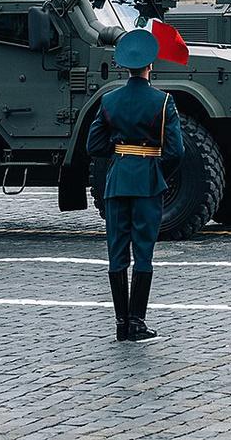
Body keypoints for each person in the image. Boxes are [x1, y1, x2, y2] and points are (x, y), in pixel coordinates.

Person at [86, 29, 184, 343]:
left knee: (117, 253)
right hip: (147, 181)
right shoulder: (163, 101)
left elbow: (94, 144)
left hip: (117, 181)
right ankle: (137, 322)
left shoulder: (109, 100)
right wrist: (156, 171)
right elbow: (176, 151)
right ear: (150, 65)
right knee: (143, 253)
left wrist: (120, 155)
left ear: (125, 66)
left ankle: (120, 324)